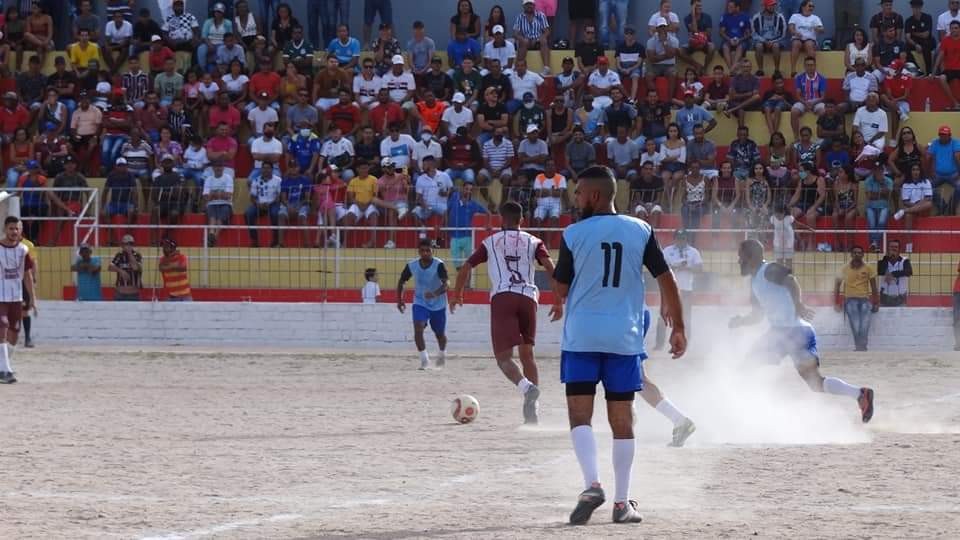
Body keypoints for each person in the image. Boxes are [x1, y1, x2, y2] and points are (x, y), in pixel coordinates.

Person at [551, 165, 688, 525]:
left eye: (579, 193)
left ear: (594, 195)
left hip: (582, 335)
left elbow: (561, 289)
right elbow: (666, 277)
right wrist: (679, 326)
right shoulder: (640, 229)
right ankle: (621, 503)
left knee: (579, 416)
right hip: (623, 337)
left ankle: (591, 485)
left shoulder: (573, 233)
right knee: (622, 420)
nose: (576, 198)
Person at [731, 239, 875, 418]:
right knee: (815, 384)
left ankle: (741, 411)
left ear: (752, 257)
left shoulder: (767, 270)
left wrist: (798, 304)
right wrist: (741, 321)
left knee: (746, 366)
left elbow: (790, 280)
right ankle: (860, 394)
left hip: (790, 332)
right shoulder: (754, 282)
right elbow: (757, 315)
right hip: (789, 332)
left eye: (741, 257)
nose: (738, 261)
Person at [451, 200, 554, 423]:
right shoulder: (534, 241)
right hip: (528, 297)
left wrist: (457, 293)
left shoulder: (490, 242)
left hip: (503, 297)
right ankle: (533, 410)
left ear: (501, 219)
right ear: (522, 220)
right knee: (528, 355)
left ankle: (527, 388)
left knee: (503, 358)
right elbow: (549, 266)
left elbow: (467, 266)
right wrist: (558, 299)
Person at [397, 238, 449, 370]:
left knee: (439, 334)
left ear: (432, 251)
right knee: (418, 327)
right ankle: (424, 360)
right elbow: (402, 281)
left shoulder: (439, 264)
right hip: (420, 302)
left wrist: (434, 294)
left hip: (438, 303)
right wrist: (400, 299)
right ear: (418, 251)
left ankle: (442, 354)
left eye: (428, 250)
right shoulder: (412, 265)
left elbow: (446, 284)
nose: (425, 253)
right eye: (422, 251)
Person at [0, 217, 36, 383]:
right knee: (2, 329)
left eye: (17, 229)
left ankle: (4, 364)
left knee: (15, 334)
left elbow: (28, 276)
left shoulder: (23, 250)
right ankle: (5, 371)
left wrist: (33, 299)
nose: (14, 231)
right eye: (11, 228)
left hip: (16, 297)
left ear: (20, 231)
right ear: (5, 229)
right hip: (1, 297)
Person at [655, 229, 700, 351]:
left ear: (687, 239)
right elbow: (661, 268)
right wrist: (676, 266)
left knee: (686, 318)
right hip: (669, 289)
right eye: (679, 238)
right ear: (674, 239)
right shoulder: (667, 251)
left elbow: (699, 268)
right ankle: (659, 345)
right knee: (663, 317)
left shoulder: (693, 252)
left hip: (686, 289)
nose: (681, 241)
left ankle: (686, 343)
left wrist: (688, 267)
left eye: (683, 238)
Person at [834, 246, 881, 351]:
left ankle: (862, 346)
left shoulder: (869, 268)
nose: (857, 255)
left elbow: (874, 287)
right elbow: (837, 286)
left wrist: (876, 303)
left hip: (865, 300)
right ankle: (860, 346)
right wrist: (836, 303)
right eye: (854, 253)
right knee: (855, 322)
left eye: (859, 253)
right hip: (850, 300)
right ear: (851, 255)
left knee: (865, 323)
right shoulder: (844, 268)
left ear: (863, 255)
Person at [893, 163, 933, 252]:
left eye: (917, 169)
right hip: (912, 208)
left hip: (923, 209)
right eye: (913, 170)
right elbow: (905, 201)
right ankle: (909, 245)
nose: (915, 172)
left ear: (920, 171)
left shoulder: (926, 182)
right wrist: (915, 207)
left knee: (929, 204)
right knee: (908, 216)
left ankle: (903, 211)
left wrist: (917, 206)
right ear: (910, 172)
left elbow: (928, 198)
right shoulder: (906, 185)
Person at [513, 0, 552, 76]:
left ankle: (546, 68)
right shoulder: (520, 17)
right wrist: (521, 38)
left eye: (531, 4)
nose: (529, 6)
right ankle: (517, 68)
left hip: (538, 41)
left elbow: (547, 31)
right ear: (523, 6)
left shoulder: (541, 15)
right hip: (525, 41)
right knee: (523, 42)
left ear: (534, 5)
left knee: (544, 41)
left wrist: (542, 37)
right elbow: (515, 33)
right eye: (527, 4)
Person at [787, 0, 823, 76]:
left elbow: (822, 29)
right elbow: (790, 28)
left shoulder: (815, 18)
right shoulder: (795, 16)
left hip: (810, 40)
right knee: (796, 43)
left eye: (813, 6)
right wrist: (795, 32)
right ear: (803, 7)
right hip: (797, 38)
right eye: (809, 6)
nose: (811, 8)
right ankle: (793, 70)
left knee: (809, 44)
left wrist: (818, 29)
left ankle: (812, 70)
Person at [752, 0, 787, 76]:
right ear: (765, 6)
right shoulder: (756, 17)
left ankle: (777, 70)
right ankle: (760, 70)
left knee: (776, 46)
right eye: (770, 5)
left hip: (776, 40)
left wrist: (773, 41)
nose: (773, 7)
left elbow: (783, 33)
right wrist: (764, 41)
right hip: (761, 41)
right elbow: (754, 34)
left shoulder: (780, 17)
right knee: (758, 46)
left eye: (774, 5)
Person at [877, 239, 912, 306]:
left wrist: (892, 274)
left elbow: (909, 272)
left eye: (896, 247)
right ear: (888, 248)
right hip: (885, 297)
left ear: (899, 249)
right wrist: (886, 258)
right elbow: (880, 271)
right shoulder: (882, 260)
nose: (893, 249)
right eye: (891, 247)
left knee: (902, 316)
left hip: (900, 297)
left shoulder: (905, 260)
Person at [719, 0, 752, 69]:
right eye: (728, 6)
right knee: (725, 47)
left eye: (731, 7)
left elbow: (749, 34)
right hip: (728, 40)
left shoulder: (745, 17)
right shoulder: (725, 16)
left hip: (741, 41)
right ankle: (731, 69)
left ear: (737, 8)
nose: (728, 8)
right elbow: (721, 32)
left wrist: (739, 40)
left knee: (740, 47)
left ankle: (732, 69)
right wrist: (729, 40)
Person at [109, 234, 142, 301]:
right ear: (122, 245)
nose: (128, 246)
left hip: (133, 294)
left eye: (130, 244)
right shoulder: (119, 255)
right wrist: (120, 271)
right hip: (120, 293)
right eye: (126, 244)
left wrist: (129, 253)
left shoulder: (137, 255)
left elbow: (135, 267)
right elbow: (110, 267)